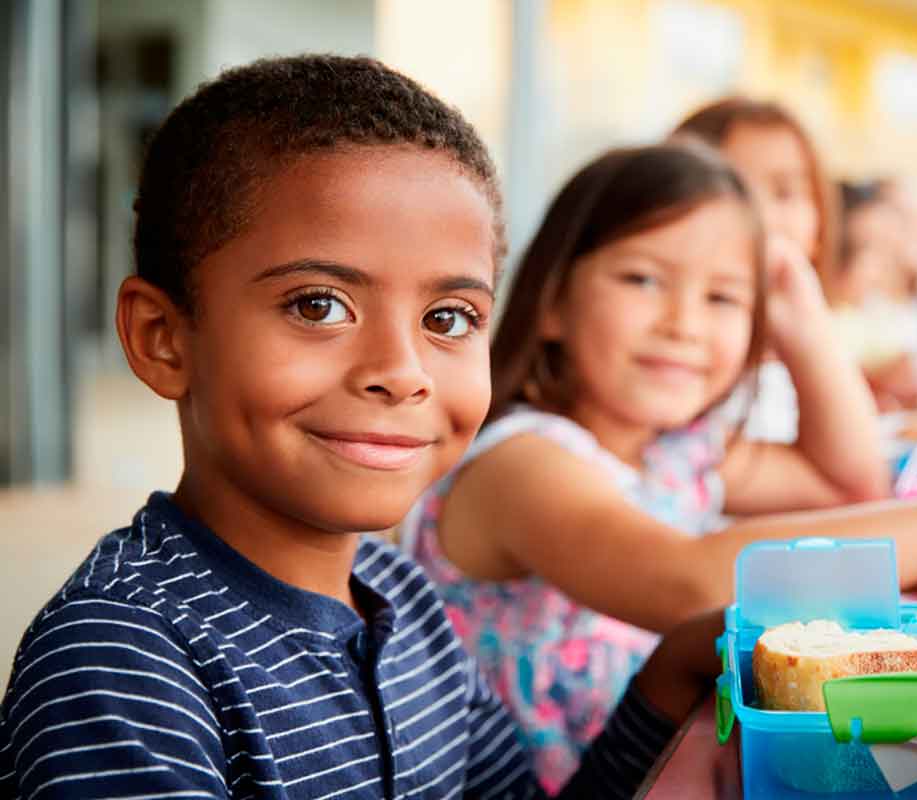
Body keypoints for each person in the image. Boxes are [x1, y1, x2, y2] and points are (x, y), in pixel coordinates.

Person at [0, 55, 726, 800]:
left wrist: (669, 676)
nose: (402, 370)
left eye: (448, 319)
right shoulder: (123, 656)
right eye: (318, 305)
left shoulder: (403, 601)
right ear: (163, 337)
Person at [405, 142, 917, 789]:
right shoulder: (520, 462)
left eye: (723, 298)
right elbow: (691, 584)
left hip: (689, 756)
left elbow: (850, 479)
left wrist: (799, 315)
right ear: (551, 301)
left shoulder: (677, 453)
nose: (684, 323)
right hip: (593, 780)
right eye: (643, 279)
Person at [673, 97, 885, 451]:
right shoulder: (682, 353)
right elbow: (857, 483)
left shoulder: (788, 357)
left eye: (786, 193)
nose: (762, 217)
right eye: (733, 187)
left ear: (819, 227)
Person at [826, 180, 917, 410]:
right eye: (867, 248)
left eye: (885, 248)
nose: (882, 265)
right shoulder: (819, 322)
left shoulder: (863, 312)